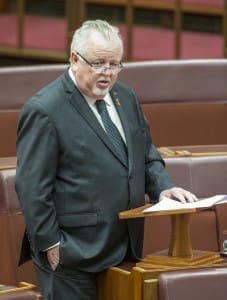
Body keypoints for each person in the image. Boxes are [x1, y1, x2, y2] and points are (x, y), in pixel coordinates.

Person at [15, 19, 197, 300]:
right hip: (72, 253)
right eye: (99, 63)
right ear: (75, 59)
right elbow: (31, 187)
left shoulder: (126, 97)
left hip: (125, 247)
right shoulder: (45, 109)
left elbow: (146, 155)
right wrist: (49, 242)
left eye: (115, 64)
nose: (108, 74)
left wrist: (163, 188)